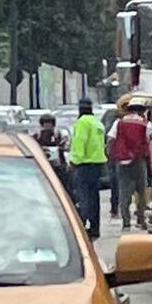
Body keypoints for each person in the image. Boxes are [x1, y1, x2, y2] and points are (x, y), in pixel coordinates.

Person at [68, 98, 108, 239]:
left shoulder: (82, 122)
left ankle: (82, 224)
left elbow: (80, 142)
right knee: (94, 198)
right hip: (97, 165)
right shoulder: (97, 122)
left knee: (83, 196)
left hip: (84, 165)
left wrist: (73, 162)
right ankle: (95, 227)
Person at [111, 99, 152, 231]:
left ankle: (126, 221)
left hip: (122, 161)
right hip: (139, 161)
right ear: (141, 110)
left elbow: (111, 139)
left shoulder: (119, 123)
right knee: (141, 191)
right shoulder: (146, 124)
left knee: (124, 192)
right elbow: (149, 141)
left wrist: (112, 155)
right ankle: (141, 219)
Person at [33, 114, 69, 187]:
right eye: (45, 124)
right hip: (42, 165)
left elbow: (65, 148)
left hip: (58, 167)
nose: (47, 127)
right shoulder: (37, 136)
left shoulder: (59, 135)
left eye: (49, 124)